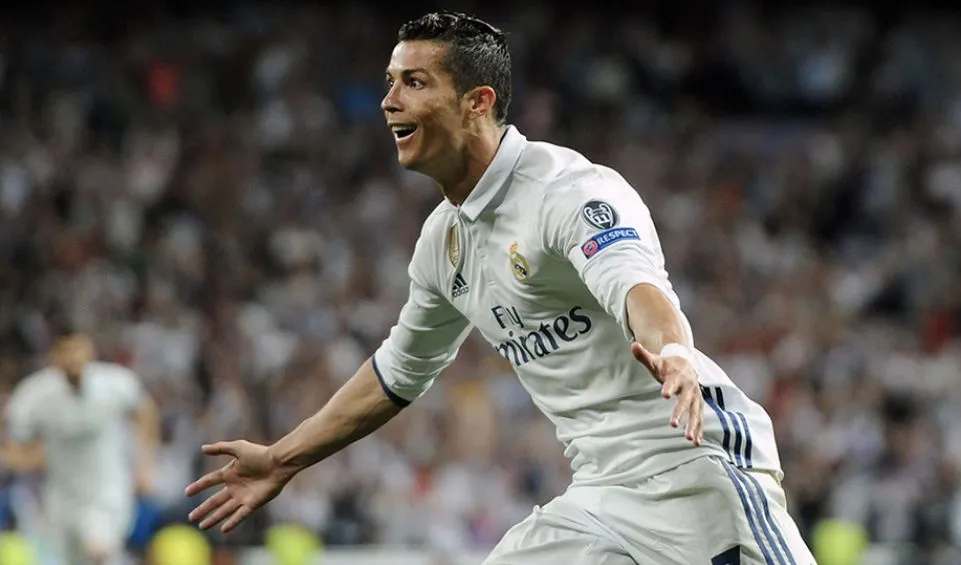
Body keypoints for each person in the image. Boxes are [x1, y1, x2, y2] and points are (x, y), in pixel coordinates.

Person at [186, 11, 817, 565]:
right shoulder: (443, 242)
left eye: (414, 82)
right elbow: (398, 372)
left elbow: (637, 286)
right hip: (600, 492)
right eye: (389, 83)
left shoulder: (567, 191)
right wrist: (286, 456)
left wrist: (675, 355)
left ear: (477, 102)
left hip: (692, 466)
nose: (389, 101)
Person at [2, 329, 160, 565]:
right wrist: (30, 459)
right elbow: (13, 440)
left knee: (97, 551)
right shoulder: (34, 396)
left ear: (90, 351)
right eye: (66, 351)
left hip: (106, 491)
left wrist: (146, 464)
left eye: (79, 349)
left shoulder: (115, 383)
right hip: (61, 496)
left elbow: (145, 412)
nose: (73, 358)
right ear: (54, 356)